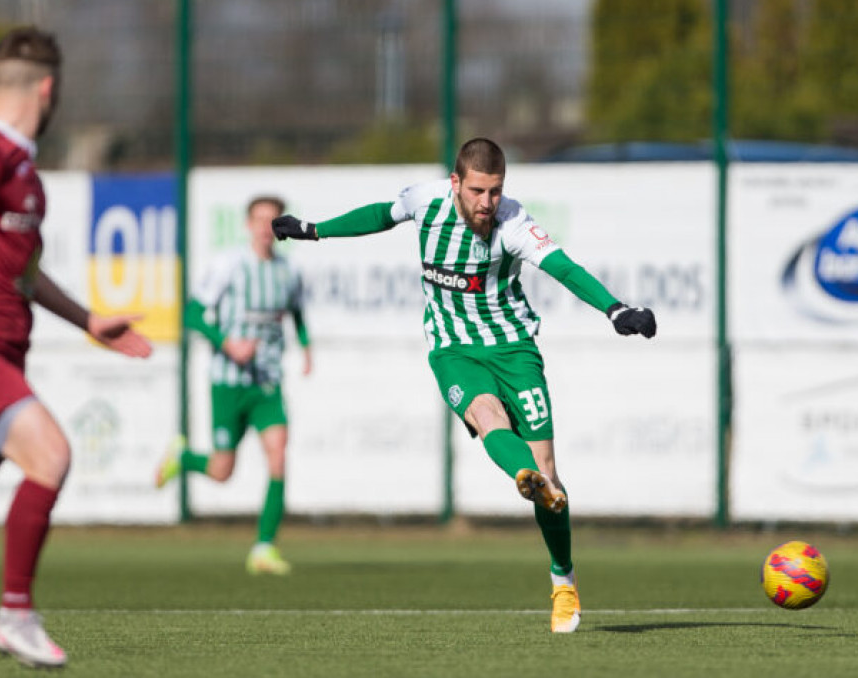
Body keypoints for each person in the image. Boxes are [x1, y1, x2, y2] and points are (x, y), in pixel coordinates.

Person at [271, 138, 656, 633]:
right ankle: (526, 480)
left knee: (551, 477)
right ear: (456, 183)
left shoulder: (514, 223)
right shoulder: (426, 201)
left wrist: (615, 308)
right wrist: (313, 230)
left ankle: (563, 578)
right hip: (453, 350)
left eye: (495, 191)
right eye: (477, 190)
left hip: (515, 350)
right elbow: (381, 215)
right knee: (488, 416)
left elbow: (563, 267)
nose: (486, 203)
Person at [0, 26, 153, 668]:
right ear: (50, 90)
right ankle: (16, 614)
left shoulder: (19, 169)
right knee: (51, 457)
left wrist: (87, 319)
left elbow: (20, 272)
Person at [155, 195, 312, 575]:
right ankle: (184, 458)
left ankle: (263, 548)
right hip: (228, 382)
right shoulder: (229, 266)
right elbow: (192, 313)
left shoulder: (287, 272)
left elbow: (296, 312)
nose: (265, 227)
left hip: (267, 384)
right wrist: (228, 344)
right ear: (247, 225)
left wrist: (307, 348)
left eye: (272, 221)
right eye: (259, 219)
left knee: (278, 455)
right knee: (222, 471)